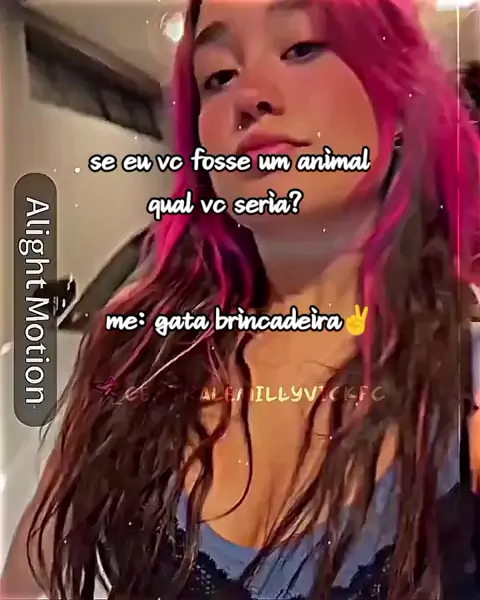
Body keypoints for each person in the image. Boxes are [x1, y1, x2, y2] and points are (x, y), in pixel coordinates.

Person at [2, 0, 480, 599]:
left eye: (302, 48)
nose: (249, 95)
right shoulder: (138, 347)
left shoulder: (464, 384)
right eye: (219, 76)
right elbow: (26, 579)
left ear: (398, 97)